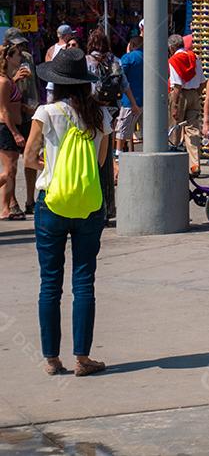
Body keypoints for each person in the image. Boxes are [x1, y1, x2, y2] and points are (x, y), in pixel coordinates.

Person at [26, 48, 112, 377]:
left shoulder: (46, 113)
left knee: (50, 283)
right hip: (89, 205)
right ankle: (82, 358)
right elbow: (101, 162)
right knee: (84, 281)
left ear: (57, 82)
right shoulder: (101, 116)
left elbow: (29, 158)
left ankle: (51, 359)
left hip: (51, 203)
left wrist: (53, 168)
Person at [87, 29, 134, 218]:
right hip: (112, 110)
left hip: (93, 111)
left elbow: (86, 87)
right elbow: (124, 84)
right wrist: (134, 104)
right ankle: (109, 206)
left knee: (94, 157)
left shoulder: (87, 61)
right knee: (105, 158)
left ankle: (97, 207)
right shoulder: (114, 60)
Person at [6, 29, 40, 215]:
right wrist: (14, 79)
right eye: (16, 45)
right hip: (11, 114)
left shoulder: (27, 57)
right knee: (11, 164)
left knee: (30, 157)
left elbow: (33, 85)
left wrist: (35, 104)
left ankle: (30, 199)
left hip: (28, 112)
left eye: (21, 44)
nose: (20, 48)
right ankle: (11, 202)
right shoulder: (3, 60)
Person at [167, 33, 205, 175]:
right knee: (193, 130)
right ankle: (194, 165)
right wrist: (196, 95)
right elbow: (203, 81)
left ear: (171, 47)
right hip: (194, 93)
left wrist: (175, 106)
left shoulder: (173, 60)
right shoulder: (195, 57)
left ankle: (174, 161)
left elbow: (177, 86)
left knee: (175, 128)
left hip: (180, 95)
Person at [0, 42, 27, 219]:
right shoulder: (3, 82)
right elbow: (3, 110)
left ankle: (5, 208)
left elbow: (13, 104)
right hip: (6, 128)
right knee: (9, 171)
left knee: (12, 170)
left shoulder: (9, 80)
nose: (20, 57)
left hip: (13, 126)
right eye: (17, 54)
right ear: (8, 58)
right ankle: (4, 208)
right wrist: (15, 133)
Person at [115, 35, 144, 156]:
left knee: (122, 129)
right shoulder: (151, 57)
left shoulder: (128, 58)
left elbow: (119, 77)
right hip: (146, 100)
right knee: (145, 130)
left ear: (131, 45)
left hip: (130, 101)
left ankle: (118, 152)